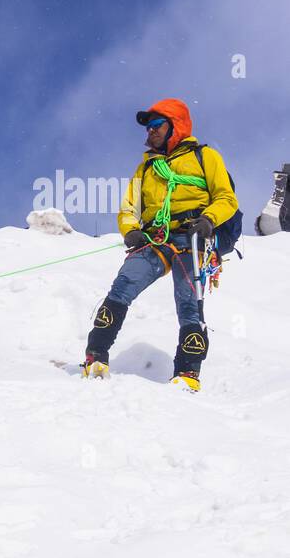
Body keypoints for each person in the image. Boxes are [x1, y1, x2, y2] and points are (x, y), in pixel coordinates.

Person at [82, 98, 238, 391]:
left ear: (175, 126)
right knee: (124, 284)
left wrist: (208, 220)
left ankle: (187, 373)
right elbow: (129, 208)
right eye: (148, 127)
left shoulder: (206, 157)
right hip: (156, 237)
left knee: (189, 300)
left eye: (156, 125)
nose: (150, 132)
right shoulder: (147, 167)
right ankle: (96, 354)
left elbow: (227, 198)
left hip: (193, 235)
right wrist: (130, 231)